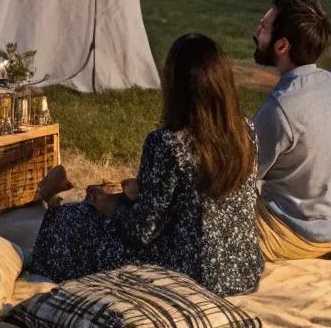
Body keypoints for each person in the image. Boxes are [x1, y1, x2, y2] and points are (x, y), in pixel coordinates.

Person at [29, 34, 263, 296]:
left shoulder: (167, 143)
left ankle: (52, 201)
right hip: (241, 271)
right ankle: (57, 196)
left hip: (187, 276)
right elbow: (203, 199)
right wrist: (143, 191)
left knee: (75, 220)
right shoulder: (246, 132)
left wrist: (111, 206)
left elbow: (141, 232)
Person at [251, 0, 331, 262]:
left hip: (297, 234)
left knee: (198, 222)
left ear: (282, 45)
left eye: (263, 27)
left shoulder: (281, 107)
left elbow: (236, 175)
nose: (256, 31)